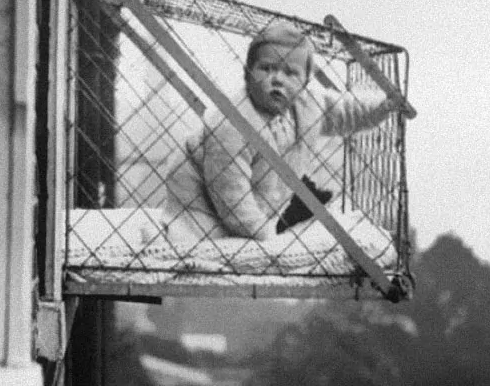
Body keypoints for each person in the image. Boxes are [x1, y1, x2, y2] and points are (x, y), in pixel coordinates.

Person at [162, 21, 408, 244]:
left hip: (265, 191)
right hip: (199, 197)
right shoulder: (231, 124)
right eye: (266, 68)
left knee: (271, 210)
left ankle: (297, 206)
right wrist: (265, 236)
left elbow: (347, 112)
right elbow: (231, 196)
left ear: (305, 82)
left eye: (290, 73)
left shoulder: (308, 105)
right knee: (198, 236)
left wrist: (382, 107)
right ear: (247, 74)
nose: (277, 79)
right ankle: (170, 231)